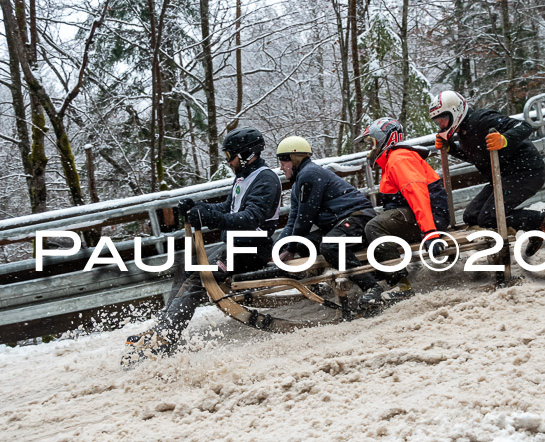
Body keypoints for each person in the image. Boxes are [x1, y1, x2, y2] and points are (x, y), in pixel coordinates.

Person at [122, 127, 282, 364]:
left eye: (230, 155)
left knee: (201, 277)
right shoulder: (243, 178)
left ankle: (167, 338)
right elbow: (227, 208)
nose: (228, 161)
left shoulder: (265, 180)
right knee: (186, 266)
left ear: (248, 154)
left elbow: (250, 218)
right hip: (234, 246)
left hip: (253, 249)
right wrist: (199, 207)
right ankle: (164, 325)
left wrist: (210, 219)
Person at [430, 90, 545, 256]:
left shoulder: (482, 120)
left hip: (526, 172)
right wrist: (451, 149)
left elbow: (523, 126)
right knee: (471, 216)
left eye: (443, 119)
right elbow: (478, 157)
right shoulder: (464, 133)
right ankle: (534, 228)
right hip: (502, 177)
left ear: (456, 111)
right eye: (438, 121)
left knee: (489, 217)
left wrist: (504, 139)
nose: (441, 125)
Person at [274, 135, 383, 311]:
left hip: (357, 217)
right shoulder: (297, 185)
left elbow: (305, 218)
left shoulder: (310, 175)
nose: (281, 167)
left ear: (295, 160)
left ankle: (371, 287)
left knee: (331, 245)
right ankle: (320, 287)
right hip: (338, 223)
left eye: (283, 162)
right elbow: (293, 220)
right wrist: (280, 247)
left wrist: (290, 249)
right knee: (305, 245)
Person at [356, 117, 450, 306]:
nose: (370, 150)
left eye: (372, 143)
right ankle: (379, 279)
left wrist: (430, 233)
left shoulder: (399, 159)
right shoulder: (392, 160)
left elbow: (418, 194)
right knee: (369, 226)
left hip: (430, 216)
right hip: (419, 215)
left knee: (374, 227)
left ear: (384, 140)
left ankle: (401, 284)